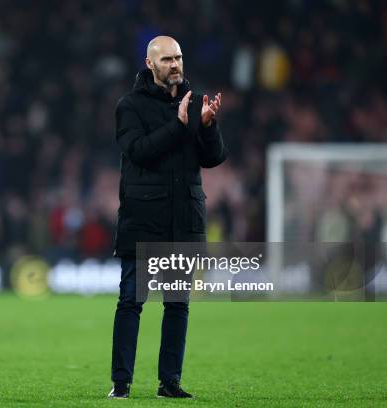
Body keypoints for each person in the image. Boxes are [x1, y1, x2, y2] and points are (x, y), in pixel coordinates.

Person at [109, 36, 227, 399]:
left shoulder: (194, 103)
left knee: (178, 303)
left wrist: (207, 125)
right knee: (132, 301)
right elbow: (138, 152)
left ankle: (169, 382)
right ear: (150, 64)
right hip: (144, 220)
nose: (175, 65)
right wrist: (179, 126)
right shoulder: (129, 106)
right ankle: (122, 384)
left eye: (178, 57)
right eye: (167, 59)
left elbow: (213, 158)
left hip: (183, 219)